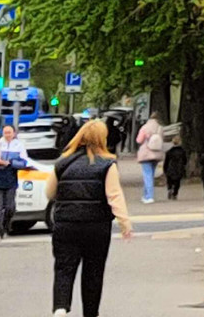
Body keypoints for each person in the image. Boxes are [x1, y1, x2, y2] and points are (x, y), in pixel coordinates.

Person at [46, 119, 135, 316]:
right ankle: (90, 313)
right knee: (93, 272)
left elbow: (49, 192)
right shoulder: (107, 164)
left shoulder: (62, 162)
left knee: (64, 268)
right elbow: (114, 196)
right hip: (96, 226)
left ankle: (60, 308)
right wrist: (124, 223)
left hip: (66, 224)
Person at [0, 121, 28, 240]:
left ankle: (5, 225)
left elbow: (24, 163)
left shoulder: (19, 146)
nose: (7, 135)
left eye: (9, 132)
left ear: (14, 133)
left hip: (11, 179)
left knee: (10, 207)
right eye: (5, 132)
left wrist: (9, 163)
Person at [133, 113, 166, 203]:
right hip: (156, 153)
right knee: (150, 175)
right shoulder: (160, 128)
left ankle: (149, 196)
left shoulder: (145, 127)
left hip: (146, 153)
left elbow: (139, 140)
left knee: (147, 175)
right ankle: (146, 195)